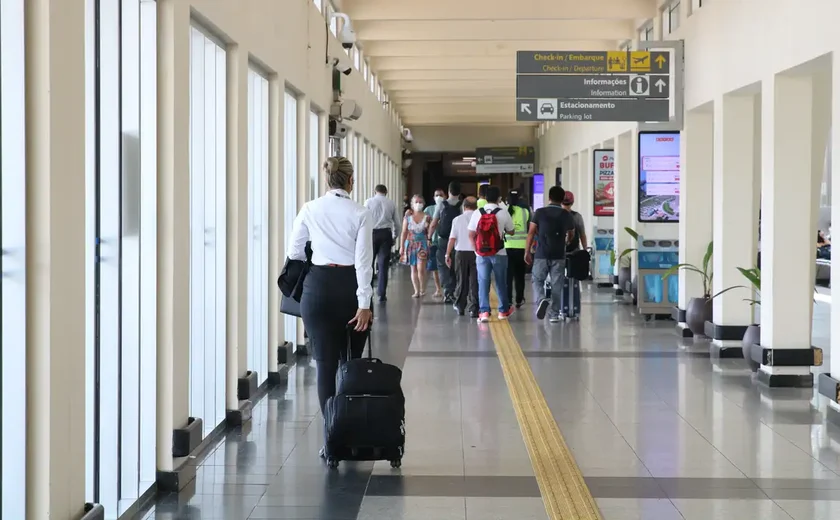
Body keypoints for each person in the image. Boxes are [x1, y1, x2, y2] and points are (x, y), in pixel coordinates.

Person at [289, 156, 373, 459]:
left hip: (318, 289)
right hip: (350, 289)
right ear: (351, 181)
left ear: (328, 180)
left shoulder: (310, 209)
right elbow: (364, 262)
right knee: (350, 363)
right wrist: (364, 304)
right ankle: (352, 430)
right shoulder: (361, 213)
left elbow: (294, 251)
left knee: (325, 364)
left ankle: (332, 438)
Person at [525, 186, 576, 323]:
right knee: (557, 283)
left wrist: (527, 251)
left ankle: (541, 299)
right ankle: (554, 314)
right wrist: (566, 241)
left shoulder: (540, 212)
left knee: (537, 279)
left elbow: (531, 232)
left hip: (542, 253)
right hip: (559, 253)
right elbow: (571, 233)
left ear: (549, 198)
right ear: (562, 199)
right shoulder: (566, 214)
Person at [468, 185, 515, 322]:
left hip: (481, 254)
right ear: (499, 198)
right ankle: (503, 311)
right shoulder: (503, 212)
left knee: (483, 281)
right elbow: (511, 231)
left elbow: (471, 234)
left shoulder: (478, 212)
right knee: (501, 281)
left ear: (484, 198)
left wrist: (476, 250)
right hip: (499, 252)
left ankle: (484, 313)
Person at [365, 184, 401, 303]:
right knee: (383, 265)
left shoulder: (368, 202)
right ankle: (381, 294)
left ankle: (368, 292)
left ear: (375, 191)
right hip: (386, 234)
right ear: (386, 192)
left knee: (368, 264)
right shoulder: (391, 203)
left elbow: (364, 220)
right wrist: (394, 236)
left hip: (372, 234)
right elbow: (397, 223)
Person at [429, 181, 463, 302]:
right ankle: (458, 290)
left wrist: (429, 237)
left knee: (443, 266)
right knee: (457, 265)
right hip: (459, 240)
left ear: (448, 192)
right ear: (459, 192)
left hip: (443, 240)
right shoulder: (462, 206)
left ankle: (448, 292)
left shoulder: (442, 205)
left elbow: (433, 224)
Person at [446, 197, 479, 317]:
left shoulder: (457, 219)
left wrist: (447, 254)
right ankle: (474, 308)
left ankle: (460, 306)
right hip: (476, 253)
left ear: (464, 207)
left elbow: (452, 238)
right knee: (475, 281)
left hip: (460, 253)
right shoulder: (479, 218)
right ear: (476, 207)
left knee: (461, 280)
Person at [400, 194, 431, 298]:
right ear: (412, 204)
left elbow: (430, 231)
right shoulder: (408, 218)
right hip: (411, 244)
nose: (418, 204)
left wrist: (429, 240)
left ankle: (422, 288)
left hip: (422, 244)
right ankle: (416, 290)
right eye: (416, 202)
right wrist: (401, 246)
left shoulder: (427, 217)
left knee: (421, 268)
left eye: (420, 202)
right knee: (413, 268)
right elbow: (404, 232)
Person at [505, 190, 531, 308]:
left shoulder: (504, 211)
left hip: (507, 248)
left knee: (508, 276)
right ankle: (519, 299)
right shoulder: (525, 211)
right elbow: (530, 228)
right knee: (520, 276)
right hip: (521, 248)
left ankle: (508, 299)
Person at [424, 190, 445, 298]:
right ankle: (438, 289)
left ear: (445, 196)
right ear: (433, 197)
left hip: (445, 241)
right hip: (433, 241)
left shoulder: (447, 208)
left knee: (446, 266)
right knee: (434, 267)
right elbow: (424, 224)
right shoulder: (429, 209)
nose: (439, 197)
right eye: (436, 195)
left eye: (441, 195)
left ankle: (447, 289)